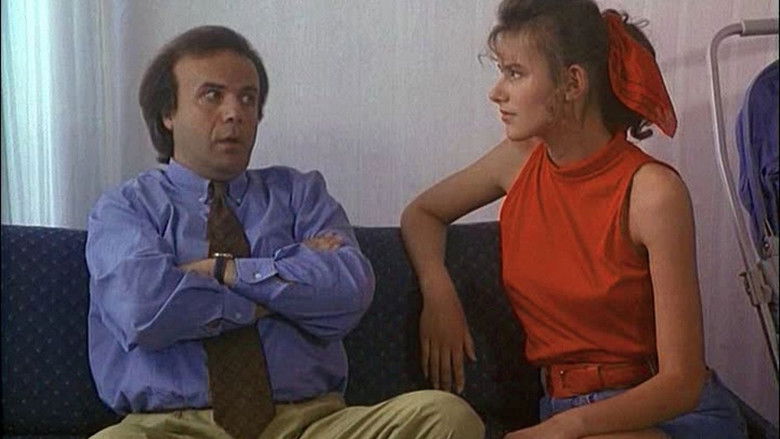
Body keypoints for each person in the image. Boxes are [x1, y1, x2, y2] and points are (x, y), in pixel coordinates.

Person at [86, 25, 483, 439]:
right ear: (167, 114)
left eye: (248, 98)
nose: (235, 112)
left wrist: (222, 270)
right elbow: (144, 310)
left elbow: (349, 291)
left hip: (313, 422)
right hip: (174, 426)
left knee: (447, 418)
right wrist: (281, 291)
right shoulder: (125, 208)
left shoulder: (299, 193)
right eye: (212, 95)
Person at [400, 1, 747, 438]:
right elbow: (422, 214)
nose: (496, 92)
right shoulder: (518, 161)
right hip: (565, 410)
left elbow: (682, 383)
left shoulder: (653, 193)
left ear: (573, 83)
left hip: (665, 416)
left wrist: (568, 427)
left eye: (515, 73)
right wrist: (438, 290)